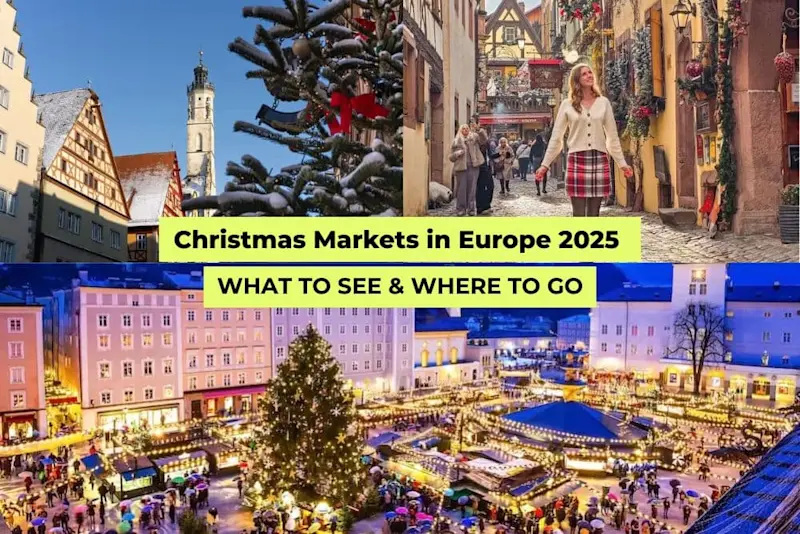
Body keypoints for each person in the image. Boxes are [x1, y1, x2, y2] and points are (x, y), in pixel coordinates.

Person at [535, 63, 633, 216]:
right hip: (576, 159)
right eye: (584, 74)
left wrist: (622, 164)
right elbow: (556, 138)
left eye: (590, 72)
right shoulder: (567, 105)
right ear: (576, 80)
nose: (589, 75)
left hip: (599, 159)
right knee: (579, 215)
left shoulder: (603, 103)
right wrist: (544, 165)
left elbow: (612, 137)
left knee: (594, 216)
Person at [449, 123, 488, 216]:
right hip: (461, 168)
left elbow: (484, 140)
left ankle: (471, 209)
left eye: (467, 128)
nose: (465, 130)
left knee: (472, 189)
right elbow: (451, 157)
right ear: (460, 130)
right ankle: (461, 209)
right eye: (463, 129)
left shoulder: (474, 137)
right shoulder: (456, 141)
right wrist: (456, 154)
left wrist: (479, 130)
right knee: (461, 189)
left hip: (473, 167)